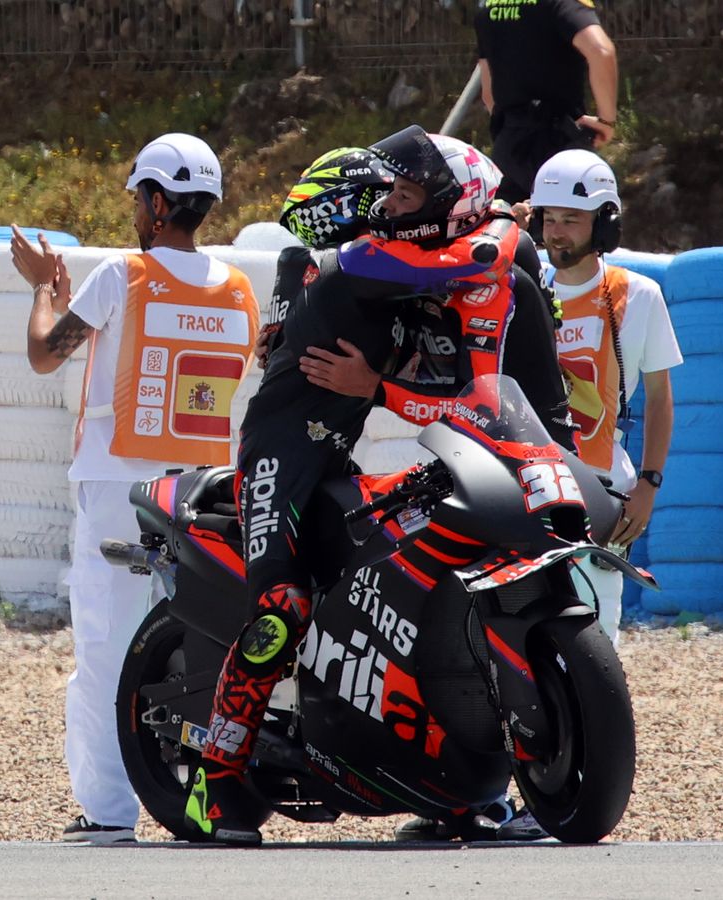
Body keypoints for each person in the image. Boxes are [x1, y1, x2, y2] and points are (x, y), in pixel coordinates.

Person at [185, 127, 570, 845]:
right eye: (385, 196)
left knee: (407, 588)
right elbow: (464, 260)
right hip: (278, 459)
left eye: (402, 194)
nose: (392, 206)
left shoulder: (389, 268)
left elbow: (465, 326)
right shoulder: (350, 265)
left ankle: (445, 787)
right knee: (281, 607)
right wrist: (499, 226)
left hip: (335, 461)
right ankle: (216, 773)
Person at [12, 132, 259, 844]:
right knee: (194, 645)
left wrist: (43, 291)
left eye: (137, 200)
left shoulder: (122, 274)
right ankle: (202, 794)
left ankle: (110, 811)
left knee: (106, 648)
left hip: (117, 488)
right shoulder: (239, 288)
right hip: (202, 493)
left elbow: (42, 352)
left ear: (156, 203)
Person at [529, 148, 679, 645]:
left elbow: (660, 397)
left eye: (571, 220)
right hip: (525, 483)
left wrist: (649, 486)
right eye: (548, 219)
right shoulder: (519, 289)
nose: (556, 232)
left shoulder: (639, 296)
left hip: (601, 488)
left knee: (596, 631)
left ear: (605, 225)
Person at [474, 0, 619, 203]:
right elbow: (601, 51)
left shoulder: (488, 6)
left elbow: (488, 94)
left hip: (507, 148)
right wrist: (607, 121)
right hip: (558, 145)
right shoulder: (564, 3)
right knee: (572, 229)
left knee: (509, 231)